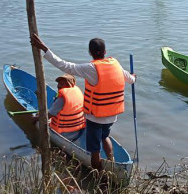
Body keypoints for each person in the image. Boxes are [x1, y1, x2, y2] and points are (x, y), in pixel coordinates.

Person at [30, 34, 136, 171]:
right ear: (105, 52)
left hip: (95, 118)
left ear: (90, 53)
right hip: (111, 115)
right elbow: (131, 79)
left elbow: (65, 66)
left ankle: (98, 172)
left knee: (94, 149)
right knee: (105, 137)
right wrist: (134, 77)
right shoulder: (116, 65)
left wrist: (45, 48)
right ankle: (111, 161)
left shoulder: (90, 68)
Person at [46, 74, 85, 142]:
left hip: (64, 134)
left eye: (62, 84)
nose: (59, 86)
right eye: (59, 83)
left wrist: (36, 118)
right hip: (79, 131)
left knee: (41, 119)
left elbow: (49, 115)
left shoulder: (62, 98)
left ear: (70, 85)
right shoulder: (77, 92)